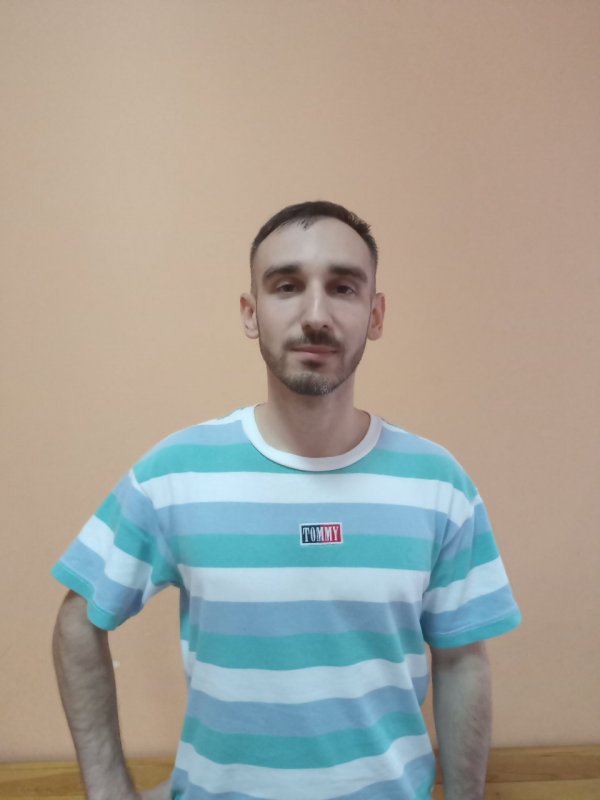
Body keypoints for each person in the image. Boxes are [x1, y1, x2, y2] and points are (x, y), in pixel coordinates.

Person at [52, 200, 521, 800]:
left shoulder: (439, 485)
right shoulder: (174, 474)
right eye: (287, 286)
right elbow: (77, 622)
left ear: (375, 314)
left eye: (343, 287)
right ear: (251, 313)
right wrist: (109, 789)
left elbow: (462, 662)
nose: (315, 315)